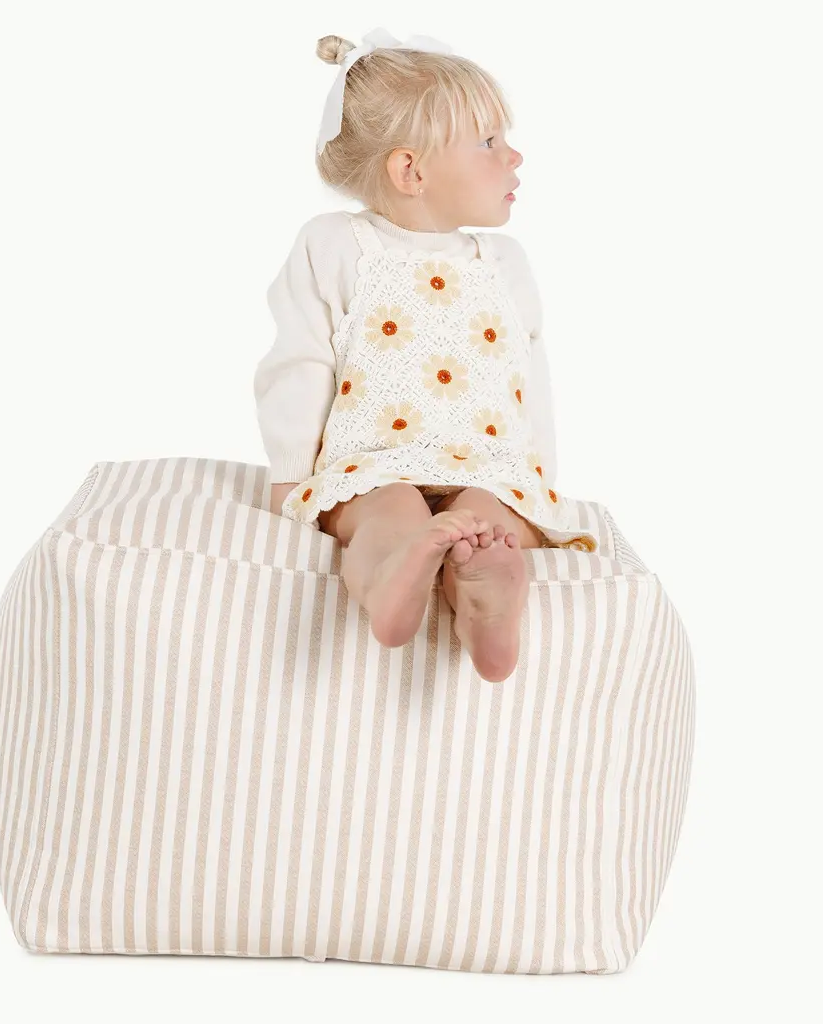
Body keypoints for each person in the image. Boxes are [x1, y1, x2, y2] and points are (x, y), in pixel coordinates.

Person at [254, 28, 600, 683]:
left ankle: (485, 589)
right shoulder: (336, 245)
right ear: (411, 171)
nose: (514, 155)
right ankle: (393, 572)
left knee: (491, 519)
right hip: (375, 462)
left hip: (492, 467)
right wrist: (291, 476)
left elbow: (532, 384)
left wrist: (541, 481)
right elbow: (299, 362)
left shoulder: (505, 263)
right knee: (387, 515)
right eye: (489, 142)